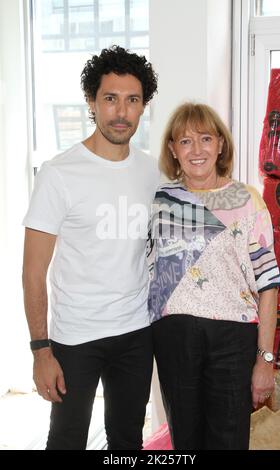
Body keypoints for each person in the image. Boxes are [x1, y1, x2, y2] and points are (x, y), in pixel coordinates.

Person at [22, 45, 159, 450]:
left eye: (132, 100)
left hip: (136, 332)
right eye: (110, 98)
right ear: (91, 103)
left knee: (127, 440)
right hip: (74, 338)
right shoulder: (59, 173)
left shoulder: (152, 170)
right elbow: (33, 270)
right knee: (66, 440)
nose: (121, 111)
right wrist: (40, 350)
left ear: (143, 106)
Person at [148, 102, 280, 450]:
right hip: (174, 337)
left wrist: (265, 360)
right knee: (185, 442)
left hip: (233, 340)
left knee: (228, 441)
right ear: (173, 150)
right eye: (185, 141)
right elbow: (143, 270)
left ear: (221, 144)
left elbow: (268, 284)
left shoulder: (247, 199)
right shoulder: (160, 201)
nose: (197, 150)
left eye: (205, 138)